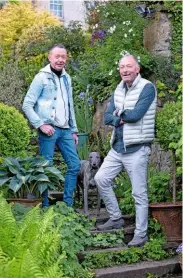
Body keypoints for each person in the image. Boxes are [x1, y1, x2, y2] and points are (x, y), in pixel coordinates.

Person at [94, 54, 157, 248]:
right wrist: (119, 117)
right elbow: (106, 118)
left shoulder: (147, 88)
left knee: (139, 193)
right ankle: (115, 218)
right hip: (118, 147)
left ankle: (141, 234)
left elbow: (136, 115)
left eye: (129, 66)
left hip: (137, 148)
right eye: (122, 67)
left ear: (137, 69)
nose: (125, 70)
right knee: (101, 178)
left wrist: (120, 115)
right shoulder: (119, 89)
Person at [22, 44, 80, 207]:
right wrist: (40, 125)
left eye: (63, 57)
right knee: (46, 168)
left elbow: (70, 105)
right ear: (50, 57)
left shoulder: (67, 78)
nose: (60, 60)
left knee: (74, 165)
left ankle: (67, 206)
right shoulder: (41, 77)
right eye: (57, 56)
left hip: (66, 130)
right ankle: (45, 207)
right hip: (49, 130)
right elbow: (27, 104)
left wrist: (74, 129)